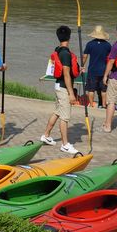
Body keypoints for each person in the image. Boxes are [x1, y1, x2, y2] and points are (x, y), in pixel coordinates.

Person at [40, 25, 79, 154]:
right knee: (65, 117)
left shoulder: (58, 50)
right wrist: (71, 93)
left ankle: (46, 135)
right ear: (69, 37)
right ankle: (65, 144)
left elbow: (68, 71)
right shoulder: (66, 54)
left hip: (58, 85)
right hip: (63, 88)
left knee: (57, 111)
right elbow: (66, 74)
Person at [82, 25, 112, 108]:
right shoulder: (108, 45)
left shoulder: (90, 44)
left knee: (91, 89)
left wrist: (82, 65)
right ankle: (103, 105)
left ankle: (91, 105)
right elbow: (110, 58)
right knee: (103, 90)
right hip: (104, 71)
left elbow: (85, 56)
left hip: (92, 71)